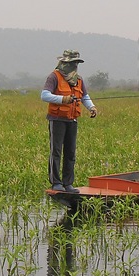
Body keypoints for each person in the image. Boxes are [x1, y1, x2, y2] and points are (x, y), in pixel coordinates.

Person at [41, 50, 98, 193]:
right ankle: (56, 182)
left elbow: (84, 96)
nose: (74, 66)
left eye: (76, 63)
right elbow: (44, 95)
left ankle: (68, 183)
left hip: (72, 119)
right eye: (72, 63)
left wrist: (91, 107)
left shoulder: (78, 79)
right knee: (56, 151)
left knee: (70, 152)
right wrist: (62, 99)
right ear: (64, 62)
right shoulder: (54, 76)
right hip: (57, 119)